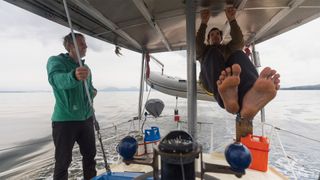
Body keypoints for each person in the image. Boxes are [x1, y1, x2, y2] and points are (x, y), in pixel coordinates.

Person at [196, 7, 280, 126]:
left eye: (217, 35)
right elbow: (198, 45)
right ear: (208, 39)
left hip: (230, 80)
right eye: (212, 35)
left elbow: (239, 42)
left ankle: (248, 96)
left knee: (238, 53)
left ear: (221, 38)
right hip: (211, 82)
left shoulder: (227, 49)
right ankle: (224, 98)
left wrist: (232, 19)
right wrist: (204, 23)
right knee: (213, 52)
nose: (215, 36)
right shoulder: (204, 51)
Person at [47, 33, 97, 180]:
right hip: (65, 121)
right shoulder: (56, 62)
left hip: (86, 119)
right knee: (63, 162)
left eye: (85, 43)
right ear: (70, 46)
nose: (86, 46)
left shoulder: (85, 67)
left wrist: (93, 92)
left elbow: (90, 88)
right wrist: (73, 76)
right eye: (82, 44)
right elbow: (57, 80)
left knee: (90, 157)